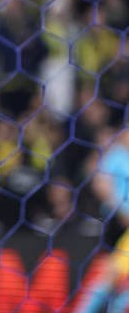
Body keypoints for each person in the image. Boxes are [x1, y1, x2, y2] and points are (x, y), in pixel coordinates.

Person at [76, 127, 129, 313]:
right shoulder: (116, 155)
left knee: (115, 276)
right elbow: (101, 184)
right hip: (117, 223)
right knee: (110, 276)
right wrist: (121, 209)